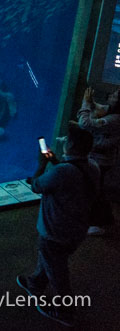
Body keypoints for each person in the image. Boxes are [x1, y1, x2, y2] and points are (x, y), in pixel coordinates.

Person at [18, 123, 98, 327]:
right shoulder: (93, 166)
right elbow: (72, 176)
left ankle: (65, 312)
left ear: (71, 146)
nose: (63, 140)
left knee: (57, 272)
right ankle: (35, 283)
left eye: (67, 140)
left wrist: (41, 165)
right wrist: (54, 160)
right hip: (77, 229)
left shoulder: (62, 172)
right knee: (52, 260)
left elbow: (37, 185)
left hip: (55, 230)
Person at [77, 86, 120, 235]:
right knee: (98, 189)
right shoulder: (112, 111)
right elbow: (100, 107)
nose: (110, 96)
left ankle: (96, 223)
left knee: (94, 190)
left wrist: (85, 103)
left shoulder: (114, 119)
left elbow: (85, 124)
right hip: (101, 158)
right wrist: (91, 103)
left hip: (101, 160)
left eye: (114, 96)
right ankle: (106, 218)